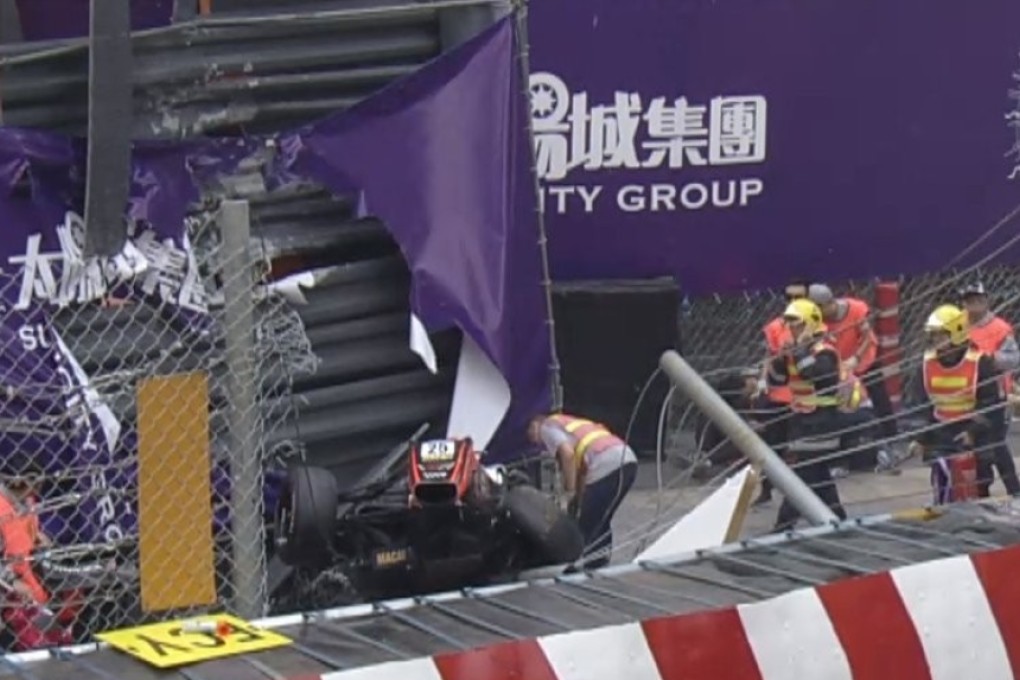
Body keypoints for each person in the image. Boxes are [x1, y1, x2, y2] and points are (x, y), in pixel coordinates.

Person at [765, 299, 858, 531]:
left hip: (822, 423)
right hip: (802, 421)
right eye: (790, 325)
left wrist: (799, 351)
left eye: (797, 325)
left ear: (810, 325)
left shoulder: (824, 352)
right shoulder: (796, 351)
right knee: (818, 476)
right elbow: (777, 381)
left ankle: (783, 526)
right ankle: (839, 520)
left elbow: (813, 375)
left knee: (801, 476)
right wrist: (780, 359)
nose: (791, 330)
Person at [907, 304, 1005, 500]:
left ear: (957, 335)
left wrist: (971, 433)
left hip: (974, 429)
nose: (936, 341)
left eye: (941, 336)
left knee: (978, 480)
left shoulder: (980, 362)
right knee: (943, 478)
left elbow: (990, 404)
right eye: (933, 336)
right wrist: (920, 438)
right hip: (941, 429)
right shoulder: (926, 365)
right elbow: (920, 405)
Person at [527, 413, 638, 570]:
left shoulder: (548, 427)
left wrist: (569, 493)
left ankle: (578, 566)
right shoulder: (573, 426)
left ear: (536, 424)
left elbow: (568, 455)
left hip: (606, 464)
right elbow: (582, 470)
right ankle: (598, 564)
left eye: (531, 432)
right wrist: (578, 499)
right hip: (627, 460)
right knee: (601, 519)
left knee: (586, 523)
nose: (534, 440)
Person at [809, 283, 897, 472]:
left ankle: (890, 444)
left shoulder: (855, 308)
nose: (820, 314)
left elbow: (867, 337)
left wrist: (856, 358)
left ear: (829, 302)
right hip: (840, 371)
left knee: (879, 402)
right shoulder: (817, 322)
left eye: (821, 308)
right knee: (843, 409)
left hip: (863, 361)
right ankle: (845, 458)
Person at [752, 280, 810, 506]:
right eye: (789, 298)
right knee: (771, 444)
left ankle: (798, 498)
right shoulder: (777, 327)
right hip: (779, 394)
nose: (793, 302)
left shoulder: (815, 326)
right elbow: (770, 355)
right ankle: (766, 489)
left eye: (799, 298)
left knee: (801, 449)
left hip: (804, 398)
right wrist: (762, 380)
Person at [959, 282, 1020, 495]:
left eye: (978, 300)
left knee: (994, 443)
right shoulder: (958, 325)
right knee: (977, 448)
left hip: (995, 395)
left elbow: (1014, 359)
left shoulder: (1000, 328)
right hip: (967, 395)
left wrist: (989, 359)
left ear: (986, 301)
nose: (974, 305)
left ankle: (1014, 490)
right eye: (969, 300)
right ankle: (982, 492)